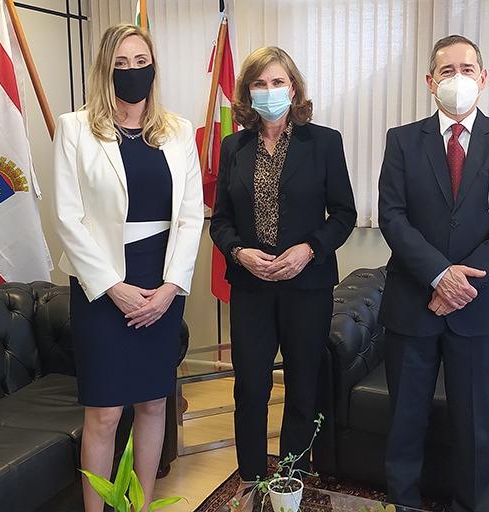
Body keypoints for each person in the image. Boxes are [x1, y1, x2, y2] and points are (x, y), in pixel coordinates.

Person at [53, 23, 203, 512]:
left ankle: (140, 506)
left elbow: (188, 217)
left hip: (160, 280)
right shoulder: (74, 128)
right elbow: (68, 217)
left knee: (154, 403)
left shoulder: (179, 132)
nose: (133, 72)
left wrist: (170, 288)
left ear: (154, 67)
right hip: (101, 286)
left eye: (141, 62)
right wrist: (112, 287)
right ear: (104, 70)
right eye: (121, 64)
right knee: (104, 413)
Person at [378, 35, 489, 512]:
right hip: (413, 303)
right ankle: (402, 504)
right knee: (405, 423)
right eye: (448, 71)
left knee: (474, 426)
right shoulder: (402, 140)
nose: (458, 78)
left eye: (468, 69)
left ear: (483, 79)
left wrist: (460, 284)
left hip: (480, 308)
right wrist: (438, 275)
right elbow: (392, 217)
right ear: (430, 81)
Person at [210, 46, 356, 484]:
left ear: (293, 89)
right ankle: (253, 477)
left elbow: (344, 215)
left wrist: (309, 249)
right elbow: (220, 221)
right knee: (250, 388)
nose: (269, 91)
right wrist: (239, 252)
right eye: (260, 83)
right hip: (251, 288)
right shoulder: (233, 145)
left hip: (306, 287)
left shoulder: (325, 142)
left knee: (301, 388)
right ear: (247, 92)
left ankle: (292, 478)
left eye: (278, 82)